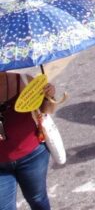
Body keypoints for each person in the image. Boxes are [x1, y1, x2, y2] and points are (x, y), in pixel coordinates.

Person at [0, 72, 60, 210]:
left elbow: (47, 110)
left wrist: (48, 96)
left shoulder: (24, 80)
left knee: (37, 199)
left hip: (32, 156)